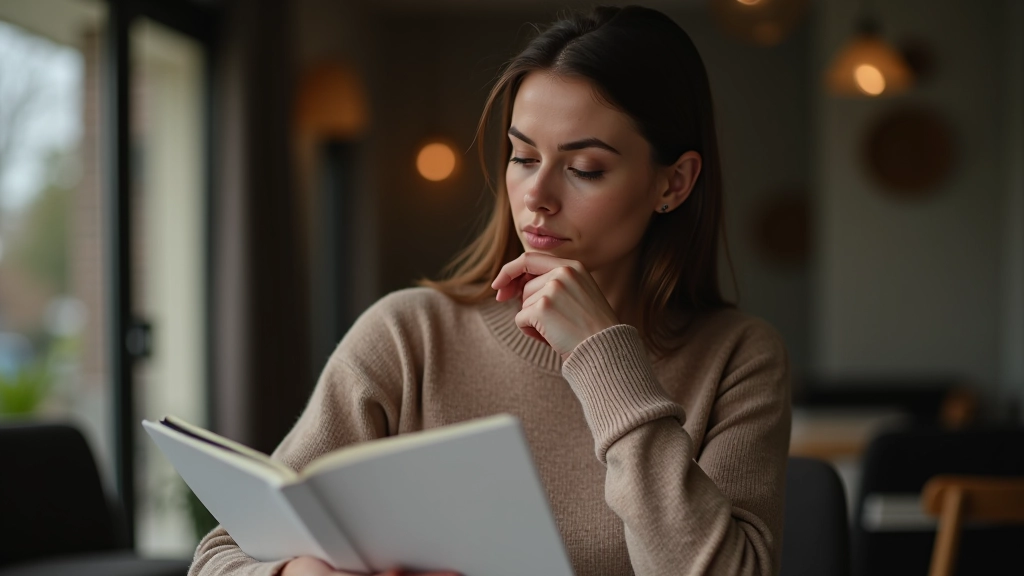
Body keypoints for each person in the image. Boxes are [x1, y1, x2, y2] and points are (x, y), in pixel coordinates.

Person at [190, 5, 791, 576]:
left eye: (585, 169)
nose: (538, 196)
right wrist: (295, 570)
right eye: (523, 156)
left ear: (675, 183)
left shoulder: (738, 358)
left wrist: (604, 359)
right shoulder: (410, 336)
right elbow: (220, 555)